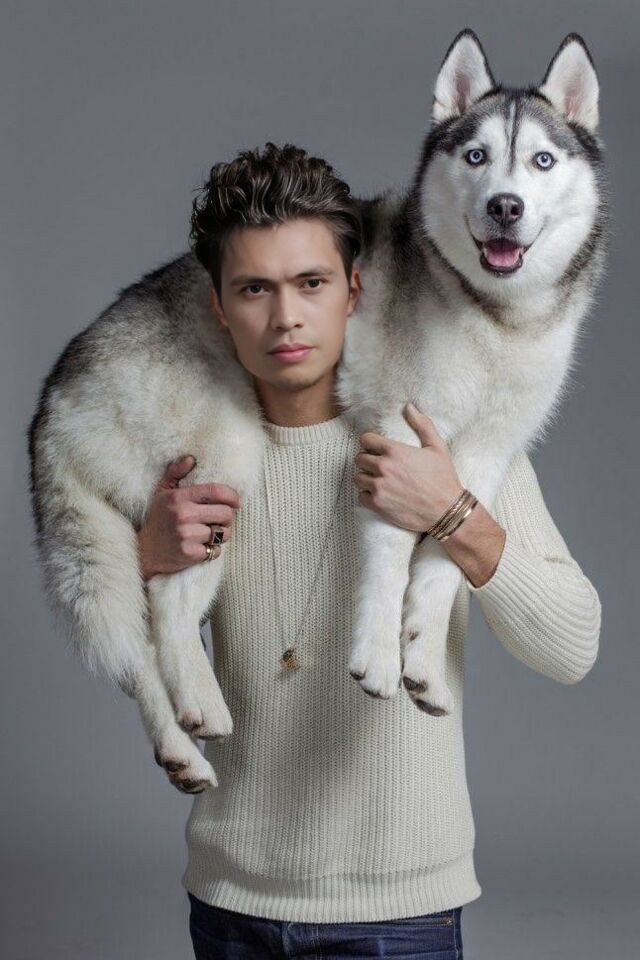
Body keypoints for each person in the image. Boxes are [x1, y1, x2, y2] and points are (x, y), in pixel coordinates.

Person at [135, 142, 601, 959]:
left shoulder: (448, 438)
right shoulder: (188, 457)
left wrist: (453, 512)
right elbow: (141, 665)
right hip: (229, 901)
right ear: (218, 306)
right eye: (254, 288)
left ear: (354, 290)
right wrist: (144, 562)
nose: (286, 317)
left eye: (312, 283)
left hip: (401, 914)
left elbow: (573, 646)